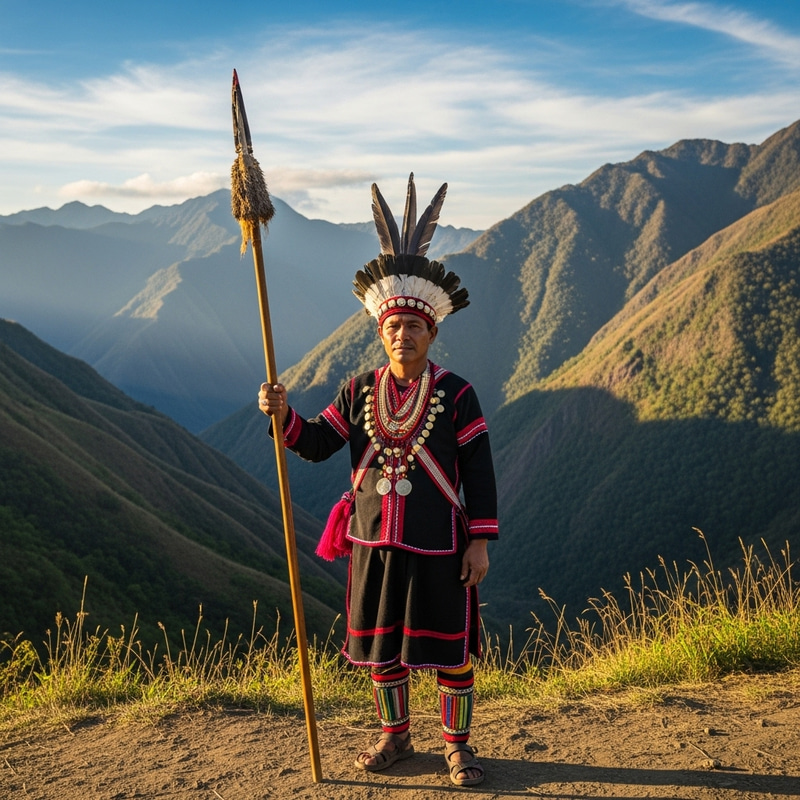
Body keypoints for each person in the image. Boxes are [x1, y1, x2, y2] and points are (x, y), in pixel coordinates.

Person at [258, 174, 498, 787]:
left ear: (432, 332)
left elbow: (478, 469)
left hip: (440, 543)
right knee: (382, 649)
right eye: (394, 327)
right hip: (372, 541)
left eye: (414, 326)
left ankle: (456, 746)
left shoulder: (457, 395)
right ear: (381, 331)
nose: (403, 334)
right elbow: (316, 444)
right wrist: (284, 416)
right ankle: (396, 738)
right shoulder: (358, 391)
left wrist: (479, 540)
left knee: (449, 651)